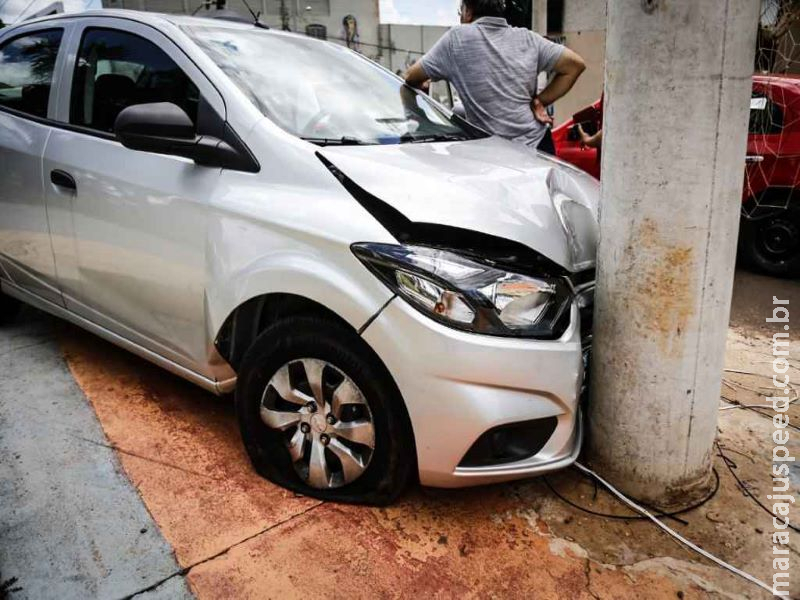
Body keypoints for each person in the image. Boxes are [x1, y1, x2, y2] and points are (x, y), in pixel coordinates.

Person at [404, 0, 585, 154]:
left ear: (468, 11)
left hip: (498, 154)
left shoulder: (456, 39)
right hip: (539, 145)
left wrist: (423, 80)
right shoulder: (528, 38)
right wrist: (539, 101)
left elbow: (411, 76)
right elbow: (575, 65)